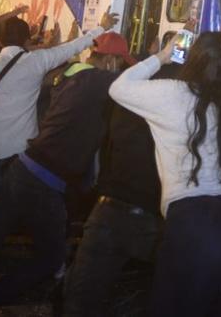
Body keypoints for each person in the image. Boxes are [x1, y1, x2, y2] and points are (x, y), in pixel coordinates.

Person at [0, 25, 135, 314]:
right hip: (44, 182)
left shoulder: (70, 74)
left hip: (25, 168)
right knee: (49, 258)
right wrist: (163, 57)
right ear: (112, 62)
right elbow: (131, 83)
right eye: (120, 64)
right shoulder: (97, 82)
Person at [107, 26, 221, 317]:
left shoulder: (173, 94)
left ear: (192, 60)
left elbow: (118, 88)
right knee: (208, 301)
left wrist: (162, 56)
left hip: (196, 226)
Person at [63, 31, 180, 316]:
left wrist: (156, 57)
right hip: (152, 216)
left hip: (109, 209)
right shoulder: (184, 98)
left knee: (81, 298)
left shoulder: (125, 94)